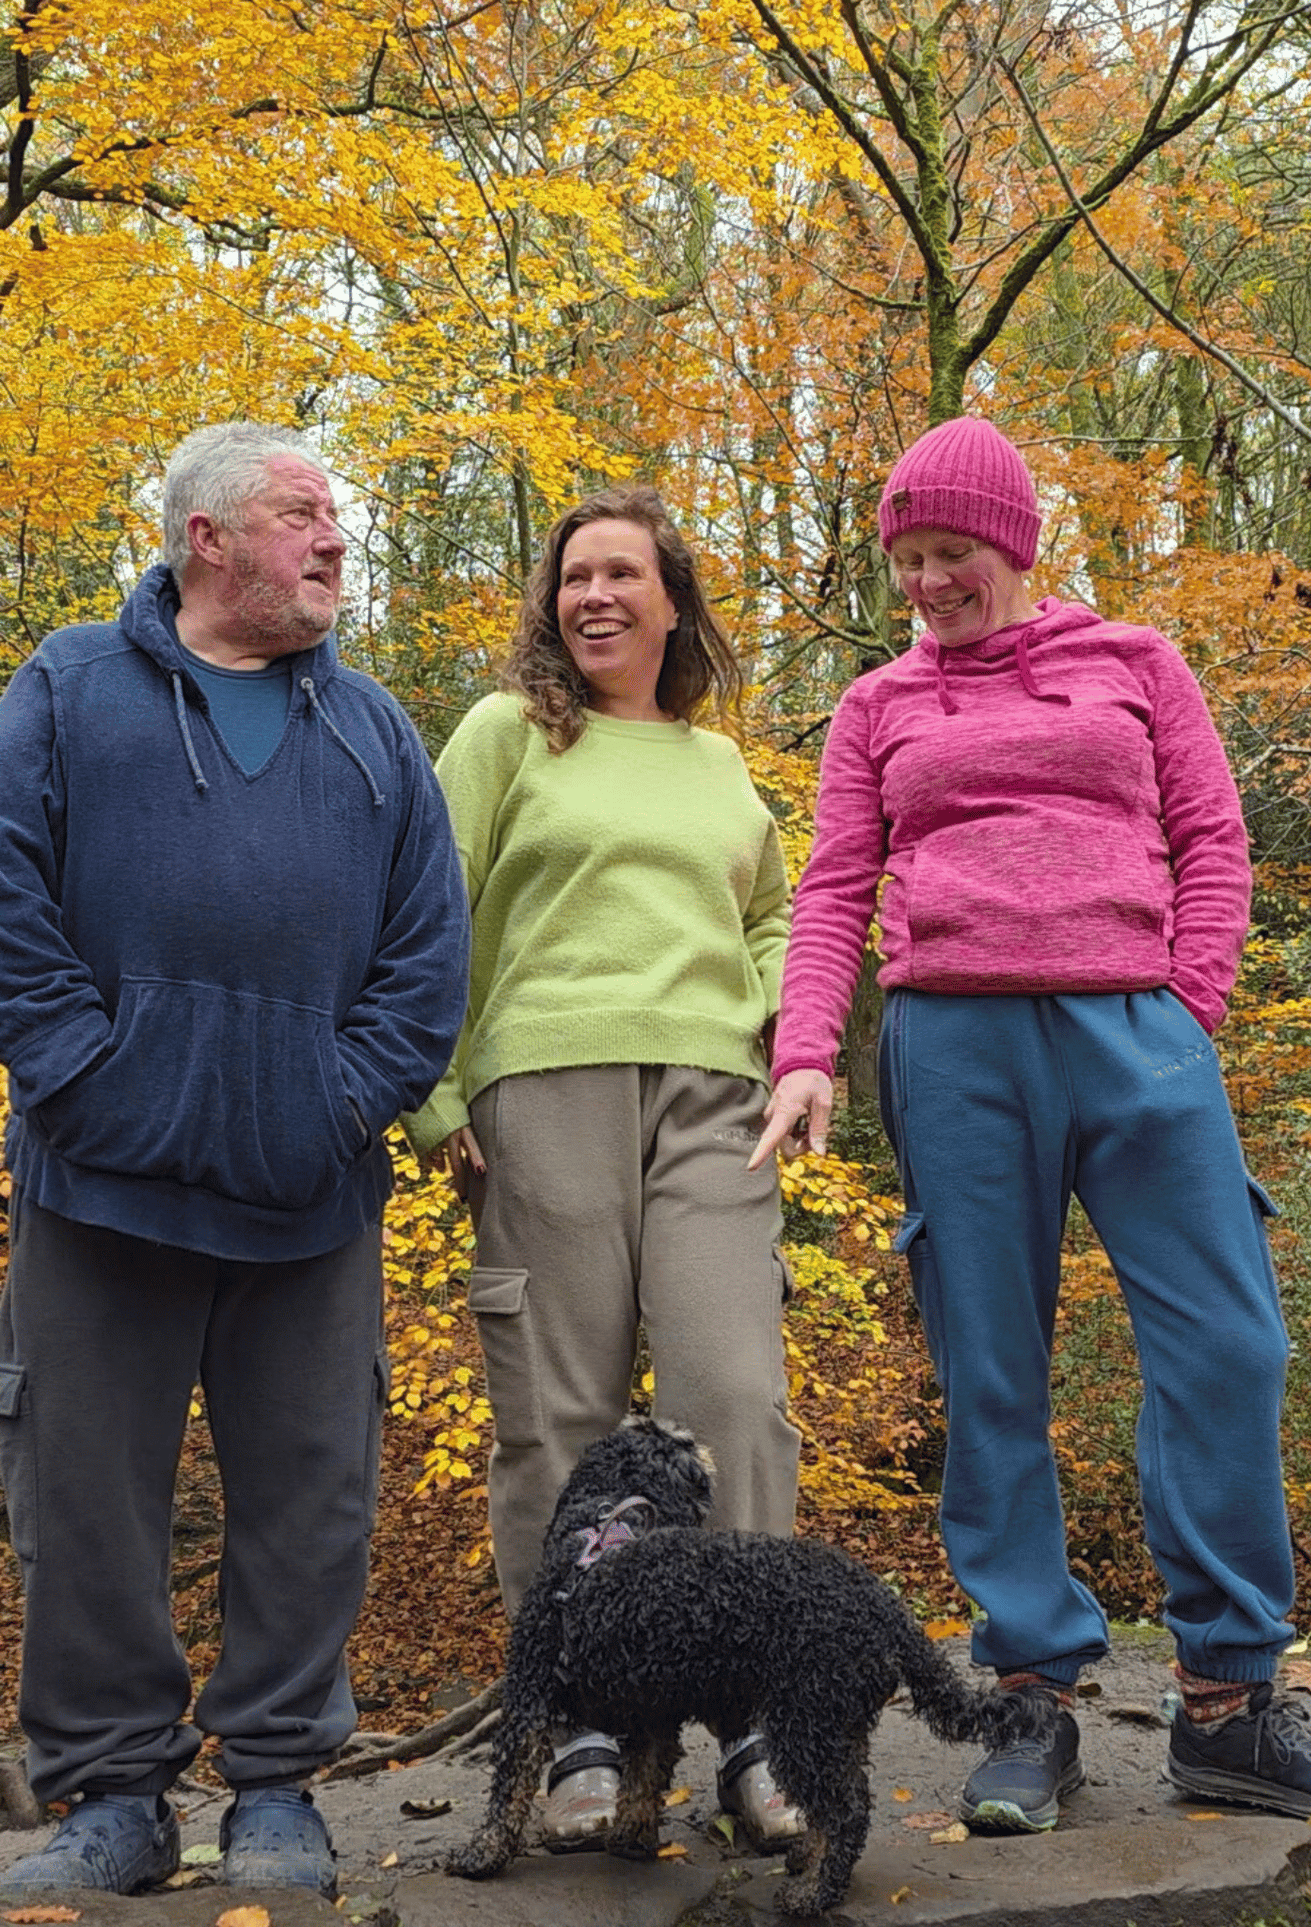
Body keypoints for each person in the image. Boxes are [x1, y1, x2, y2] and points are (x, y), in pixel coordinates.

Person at [751, 416, 1311, 1835]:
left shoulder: (1136, 662)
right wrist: (805, 1054)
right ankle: (1030, 1699)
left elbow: (1213, 837)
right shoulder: (877, 703)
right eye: (908, 558)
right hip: (954, 1046)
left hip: (1136, 1032)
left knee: (1229, 1344)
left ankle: (1227, 1704)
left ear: (1015, 543)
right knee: (992, 1366)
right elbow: (835, 885)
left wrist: (1186, 1011)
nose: (929, 581)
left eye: (953, 551)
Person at [0, 423, 470, 1898]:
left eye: (335, 516)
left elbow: (427, 959)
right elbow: (3, 889)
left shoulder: (376, 730)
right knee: (85, 1497)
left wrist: (332, 1106)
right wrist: (85, 1078)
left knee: (313, 1497)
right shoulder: (69, 688)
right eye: (300, 513)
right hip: (100, 1185)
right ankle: (113, 1797)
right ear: (204, 536)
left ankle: (275, 1788)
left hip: (309, 1194)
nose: (335, 538)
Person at [402, 483, 803, 1850]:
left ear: (672, 602)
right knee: (558, 1417)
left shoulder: (715, 762)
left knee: (734, 1396)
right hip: (542, 1086)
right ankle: (578, 1728)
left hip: (715, 1100)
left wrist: (778, 1027)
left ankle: (751, 1725)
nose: (595, 597)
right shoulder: (506, 733)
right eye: (575, 577)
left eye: (624, 574)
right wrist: (434, 1091)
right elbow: (423, 908)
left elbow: (778, 916)